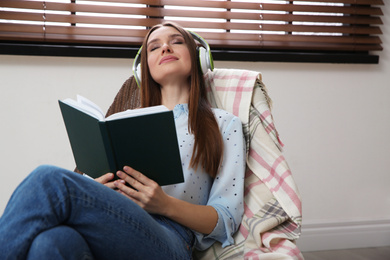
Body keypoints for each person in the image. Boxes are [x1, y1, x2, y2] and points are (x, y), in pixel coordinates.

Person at [0, 22, 246, 260]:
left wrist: (164, 204)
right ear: (143, 69)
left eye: (177, 41)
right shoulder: (118, 122)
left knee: (48, 179)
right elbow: (85, 187)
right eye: (154, 46)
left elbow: (225, 219)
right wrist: (99, 187)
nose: (165, 48)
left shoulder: (223, 124)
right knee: (53, 242)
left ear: (198, 57)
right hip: (107, 222)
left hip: (172, 238)